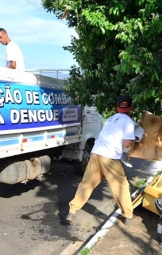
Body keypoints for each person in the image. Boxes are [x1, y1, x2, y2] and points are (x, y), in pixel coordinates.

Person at [65, 95, 143, 225]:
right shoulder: (128, 122)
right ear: (131, 108)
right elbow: (128, 144)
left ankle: (72, 211)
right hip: (110, 157)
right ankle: (128, 215)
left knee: (87, 184)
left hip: (96, 154)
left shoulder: (111, 119)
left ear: (117, 107)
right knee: (121, 186)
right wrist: (137, 136)